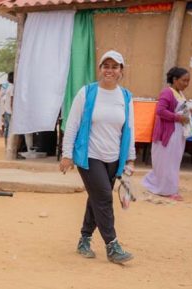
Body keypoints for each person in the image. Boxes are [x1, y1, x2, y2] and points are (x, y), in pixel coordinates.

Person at [60, 50, 136, 264]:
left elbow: (130, 128)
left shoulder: (126, 97)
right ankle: (112, 246)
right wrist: (67, 154)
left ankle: (84, 239)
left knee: (96, 198)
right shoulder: (87, 92)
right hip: (89, 155)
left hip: (114, 158)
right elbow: (73, 124)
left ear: (121, 71)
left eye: (114, 66)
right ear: (100, 68)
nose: (109, 70)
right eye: (106, 66)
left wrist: (130, 158)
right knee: (103, 196)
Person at [142, 67, 192, 201]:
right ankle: (167, 190)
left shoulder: (180, 94)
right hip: (168, 134)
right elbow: (160, 111)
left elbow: (180, 112)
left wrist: (190, 113)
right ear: (175, 80)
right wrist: (178, 118)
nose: (186, 83)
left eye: (188, 81)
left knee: (173, 161)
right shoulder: (167, 93)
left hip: (177, 133)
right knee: (167, 162)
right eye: (184, 80)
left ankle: (166, 186)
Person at [0, 71, 14, 144]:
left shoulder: (9, 86)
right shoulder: (12, 87)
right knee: (10, 129)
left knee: (7, 128)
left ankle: (6, 143)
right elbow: (12, 100)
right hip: (10, 111)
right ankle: (9, 143)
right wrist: (13, 111)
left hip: (6, 110)